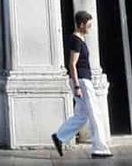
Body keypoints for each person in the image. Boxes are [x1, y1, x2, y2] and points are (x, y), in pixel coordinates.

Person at [51, 10, 112, 159]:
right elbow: (72, 64)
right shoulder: (76, 41)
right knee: (94, 113)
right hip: (82, 81)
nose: (90, 28)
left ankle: (59, 136)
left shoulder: (79, 40)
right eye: (88, 25)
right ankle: (100, 148)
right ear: (81, 24)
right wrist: (77, 86)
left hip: (82, 80)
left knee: (82, 115)